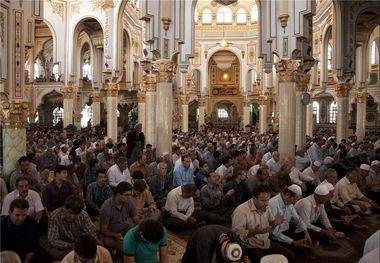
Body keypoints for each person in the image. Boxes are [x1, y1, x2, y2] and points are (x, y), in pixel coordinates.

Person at [232, 185, 291, 262]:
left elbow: (271, 226)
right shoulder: (241, 211)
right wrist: (255, 231)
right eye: (263, 200)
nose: (266, 203)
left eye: (267, 200)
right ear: (254, 198)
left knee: (289, 256)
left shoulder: (266, 207)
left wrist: (275, 222)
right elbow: (235, 236)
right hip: (250, 247)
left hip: (266, 243)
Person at [47, 195, 98, 261]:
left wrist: (85, 245)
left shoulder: (83, 215)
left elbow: (92, 232)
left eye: (76, 214)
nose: (72, 217)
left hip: (81, 245)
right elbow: (52, 240)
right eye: (70, 213)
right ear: (64, 208)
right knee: (53, 253)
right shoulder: (55, 217)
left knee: (99, 246)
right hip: (64, 246)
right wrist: (68, 245)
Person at [268, 185, 311, 262]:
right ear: (287, 195)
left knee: (308, 237)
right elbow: (274, 233)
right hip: (275, 237)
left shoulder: (289, 203)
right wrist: (293, 242)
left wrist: (305, 232)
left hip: (285, 232)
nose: (294, 202)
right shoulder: (272, 204)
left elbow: (297, 219)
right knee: (291, 255)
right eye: (294, 199)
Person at [1, 199, 50, 263]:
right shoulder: (2, 224)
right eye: (17, 215)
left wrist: (26, 261)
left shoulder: (32, 223)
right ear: (10, 212)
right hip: (8, 254)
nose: (21, 219)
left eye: (24, 215)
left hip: (27, 253)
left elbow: (32, 246)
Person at [100, 182, 140, 252]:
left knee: (139, 237)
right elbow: (103, 230)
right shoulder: (106, 207)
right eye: (126, 195)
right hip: (111, 235)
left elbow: (136, 219)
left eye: (130, 195)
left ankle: (121, 247)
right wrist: (116, 235)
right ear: (118, 194)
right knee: (125, 246)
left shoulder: (128, 202)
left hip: (124, 229)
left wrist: (140, 230)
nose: (129, 197)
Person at [182, 225, 250, 263]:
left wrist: (243, 258)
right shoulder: (204, 241)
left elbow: (241, 250)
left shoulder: (234, 238)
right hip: (195, 249)